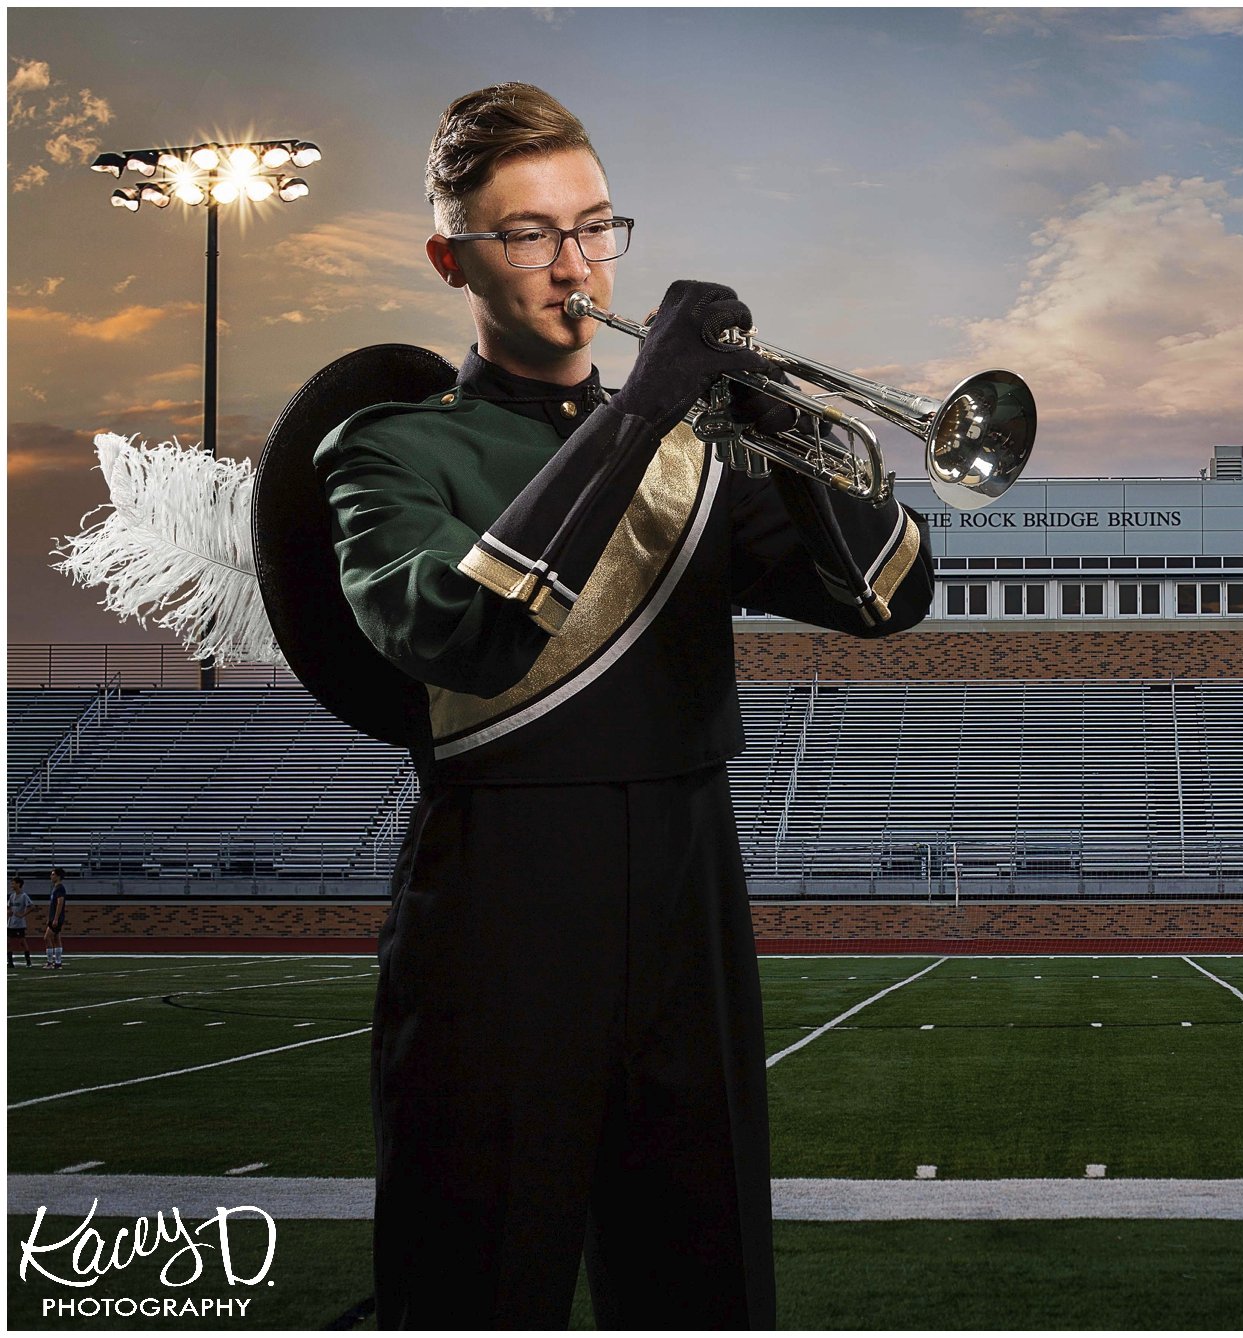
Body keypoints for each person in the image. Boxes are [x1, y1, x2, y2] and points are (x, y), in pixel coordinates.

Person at [313, 84, 933, 1329]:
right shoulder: (388, 448)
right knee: (473, 1284)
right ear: (453, 261)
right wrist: (645, 408)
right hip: (502, 892)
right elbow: (462, 631)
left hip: (694, 876)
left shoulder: (694, 458)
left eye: (596, 226)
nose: (576, 263)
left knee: (705, 1287)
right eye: (530, 234)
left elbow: (887, 598)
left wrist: (780, 418)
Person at [44, 868, 67, 970]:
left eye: (53, 874)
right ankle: (58, 963)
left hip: (56, 918)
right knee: (56, 939)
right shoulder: (55, 888)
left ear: (58, 876)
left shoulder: (60, 888)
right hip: (53, 917)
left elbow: (60, 903)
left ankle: (50, 962)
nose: (51, 876)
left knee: (47, 937)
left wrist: (56, 918)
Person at [9, 875, 32, 968]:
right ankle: (10, 962)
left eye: (13, 883)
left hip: (19, 924)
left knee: (22, 942)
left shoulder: (24, 896)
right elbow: (9, 907)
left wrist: (23, 914)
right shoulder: (12, 896)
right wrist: (8, 912)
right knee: (8, 942)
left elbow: (31, 907)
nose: (11, 885)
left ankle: (28, 961)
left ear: (18, 884)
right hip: (10, 923)